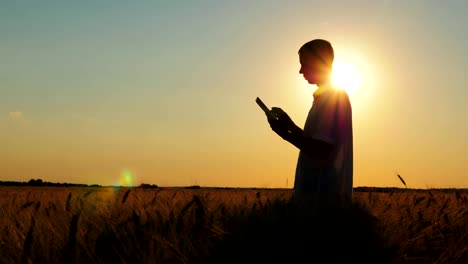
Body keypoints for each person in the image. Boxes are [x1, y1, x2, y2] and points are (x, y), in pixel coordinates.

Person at [267, 39, 353, 200]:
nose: (300, 71)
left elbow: (321, 149)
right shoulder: (326, 97)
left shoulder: (332, 98)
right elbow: (318, 142)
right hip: (320, 200)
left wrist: (285, 134)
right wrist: (291, 126)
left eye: (304, 64)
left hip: (322, 201)